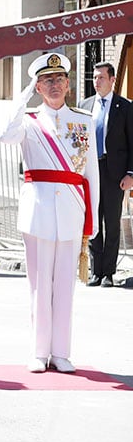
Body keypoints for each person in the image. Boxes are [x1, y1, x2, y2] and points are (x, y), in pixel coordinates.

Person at [0, 52, 98, 373]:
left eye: (59, 80)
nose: (54, 85)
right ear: (38, 87)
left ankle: (61, 352)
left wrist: (91, 219)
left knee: (65, 285)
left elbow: (91, 174)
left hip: (71, 208)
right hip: (38, 210)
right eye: (46, 81)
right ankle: (39, 351)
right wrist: (24, 94)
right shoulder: (27, 121)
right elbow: (4, 134)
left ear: (69, 84)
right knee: (39, 284)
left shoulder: (83, 121)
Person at [79, 62, 133, 288]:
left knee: (111, 221)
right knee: (92, 221)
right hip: (91, 170)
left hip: (114, 172)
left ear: (112, 80)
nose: (97, 81)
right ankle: (95, 270)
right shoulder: (84, 105)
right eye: (95, 77)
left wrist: (130, 173)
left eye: (101, 77)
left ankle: (108, 272)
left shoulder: (125, 107)